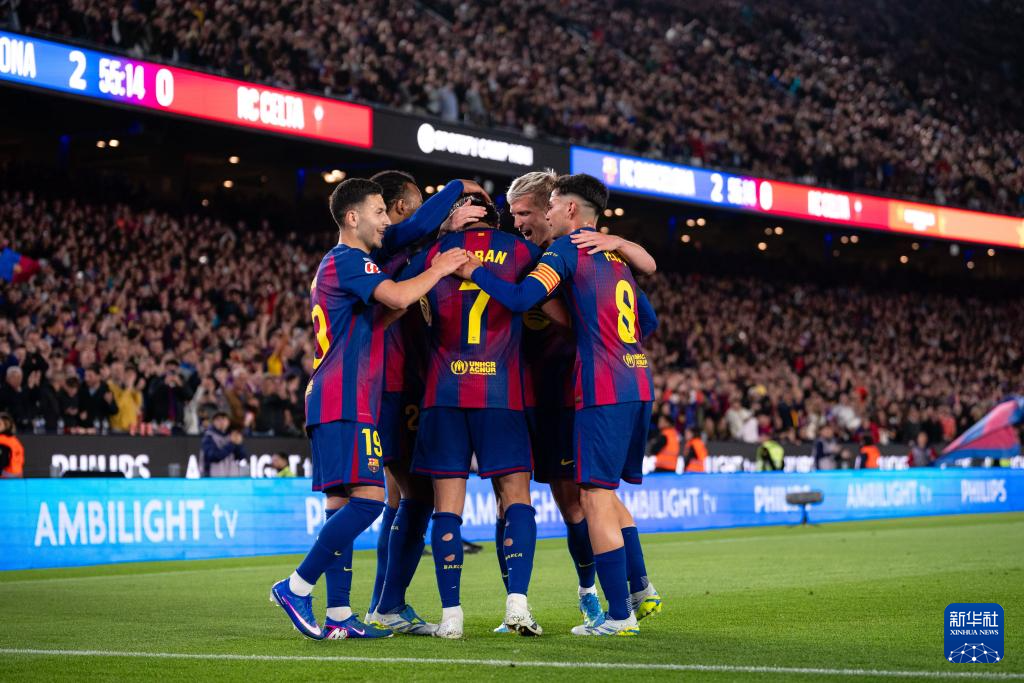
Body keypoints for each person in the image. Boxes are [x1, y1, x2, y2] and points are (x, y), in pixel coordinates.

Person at [458, 173, 660, 636]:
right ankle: (633, 593)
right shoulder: (604, 251)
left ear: (562, 209)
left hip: (584, 390)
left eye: (530, 211)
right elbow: (644, 309)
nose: (519, 222)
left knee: (586, 500)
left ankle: (613, 606)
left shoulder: (563, 253)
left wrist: (473, 271)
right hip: (619, 381)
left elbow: (519, 298)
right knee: (588, 496)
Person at [268, 177, 467, 641]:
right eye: (379, 213)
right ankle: (296, 586)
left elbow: (381, 315)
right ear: (352, 217)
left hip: (331, 396)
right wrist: (439, 267)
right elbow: (396, 296)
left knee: (340, 505)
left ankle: (339, 613)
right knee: (370, 501)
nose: (385, 222)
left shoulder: (336, 267)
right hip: (346, 397)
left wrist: (410, 292)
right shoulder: (349, 258)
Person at [397, 192, 544, 639]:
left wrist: (441, 234)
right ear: (496, 220)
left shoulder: (436, 252)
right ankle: (517, 605)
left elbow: (396, 287)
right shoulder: (520, 250)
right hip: (502, 391)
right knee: (515, 497)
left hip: (443, 392)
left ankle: (451, 617)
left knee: (447, 506)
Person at [366, 171, 490, 634]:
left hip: (404, 386)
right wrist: (456, 189)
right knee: (415, 496)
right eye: (418, 204)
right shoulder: (383, 248)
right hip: (393, 388)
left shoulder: (405, 256)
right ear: (400, 208)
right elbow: (416, 234)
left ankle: (384, 603)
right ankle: (384, 604)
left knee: (401, 497)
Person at [201, 412, 247, 477]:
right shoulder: (209, 437)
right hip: (214, 479)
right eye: (218, 419)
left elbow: (241, 457)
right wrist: (232, 444)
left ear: (228, 421)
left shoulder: (233, 435)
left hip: (232, 477)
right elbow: (214, 456)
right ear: (213, 422)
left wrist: (238, 445)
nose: (221, 422)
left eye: (224, 418)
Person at [0, 413, 24, 478]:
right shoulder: (14, 440)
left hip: (6, 476)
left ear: (6, 425)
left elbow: (3, 461)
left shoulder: (2, 441)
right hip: (17, 475)